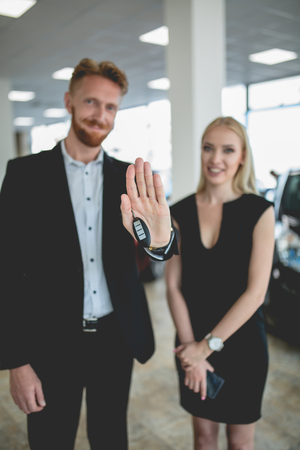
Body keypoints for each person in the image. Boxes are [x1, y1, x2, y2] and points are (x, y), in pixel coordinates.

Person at [0, 58, 177, 450]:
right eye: (91, 102)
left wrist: (161, 239)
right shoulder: (24, 175)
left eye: (111, 106)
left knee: (111, 438)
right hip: (49, 342)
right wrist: (16, 361)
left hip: (115, 339)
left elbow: (164, 243)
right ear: (69, 101)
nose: (101, 115)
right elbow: (6, 272)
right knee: (50, 440)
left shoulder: (129, 178)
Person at [165, 116, 274, 450]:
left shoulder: (260, 211)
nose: (216, 159)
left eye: (228, 150)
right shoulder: (178, 211)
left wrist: (206, 347)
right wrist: (191, 352)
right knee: (204, 436)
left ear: (242, 156)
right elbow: (172, 287)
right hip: (190, 339)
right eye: (208, 148)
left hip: (242, 346)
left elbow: (255, 294)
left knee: (240, 442)